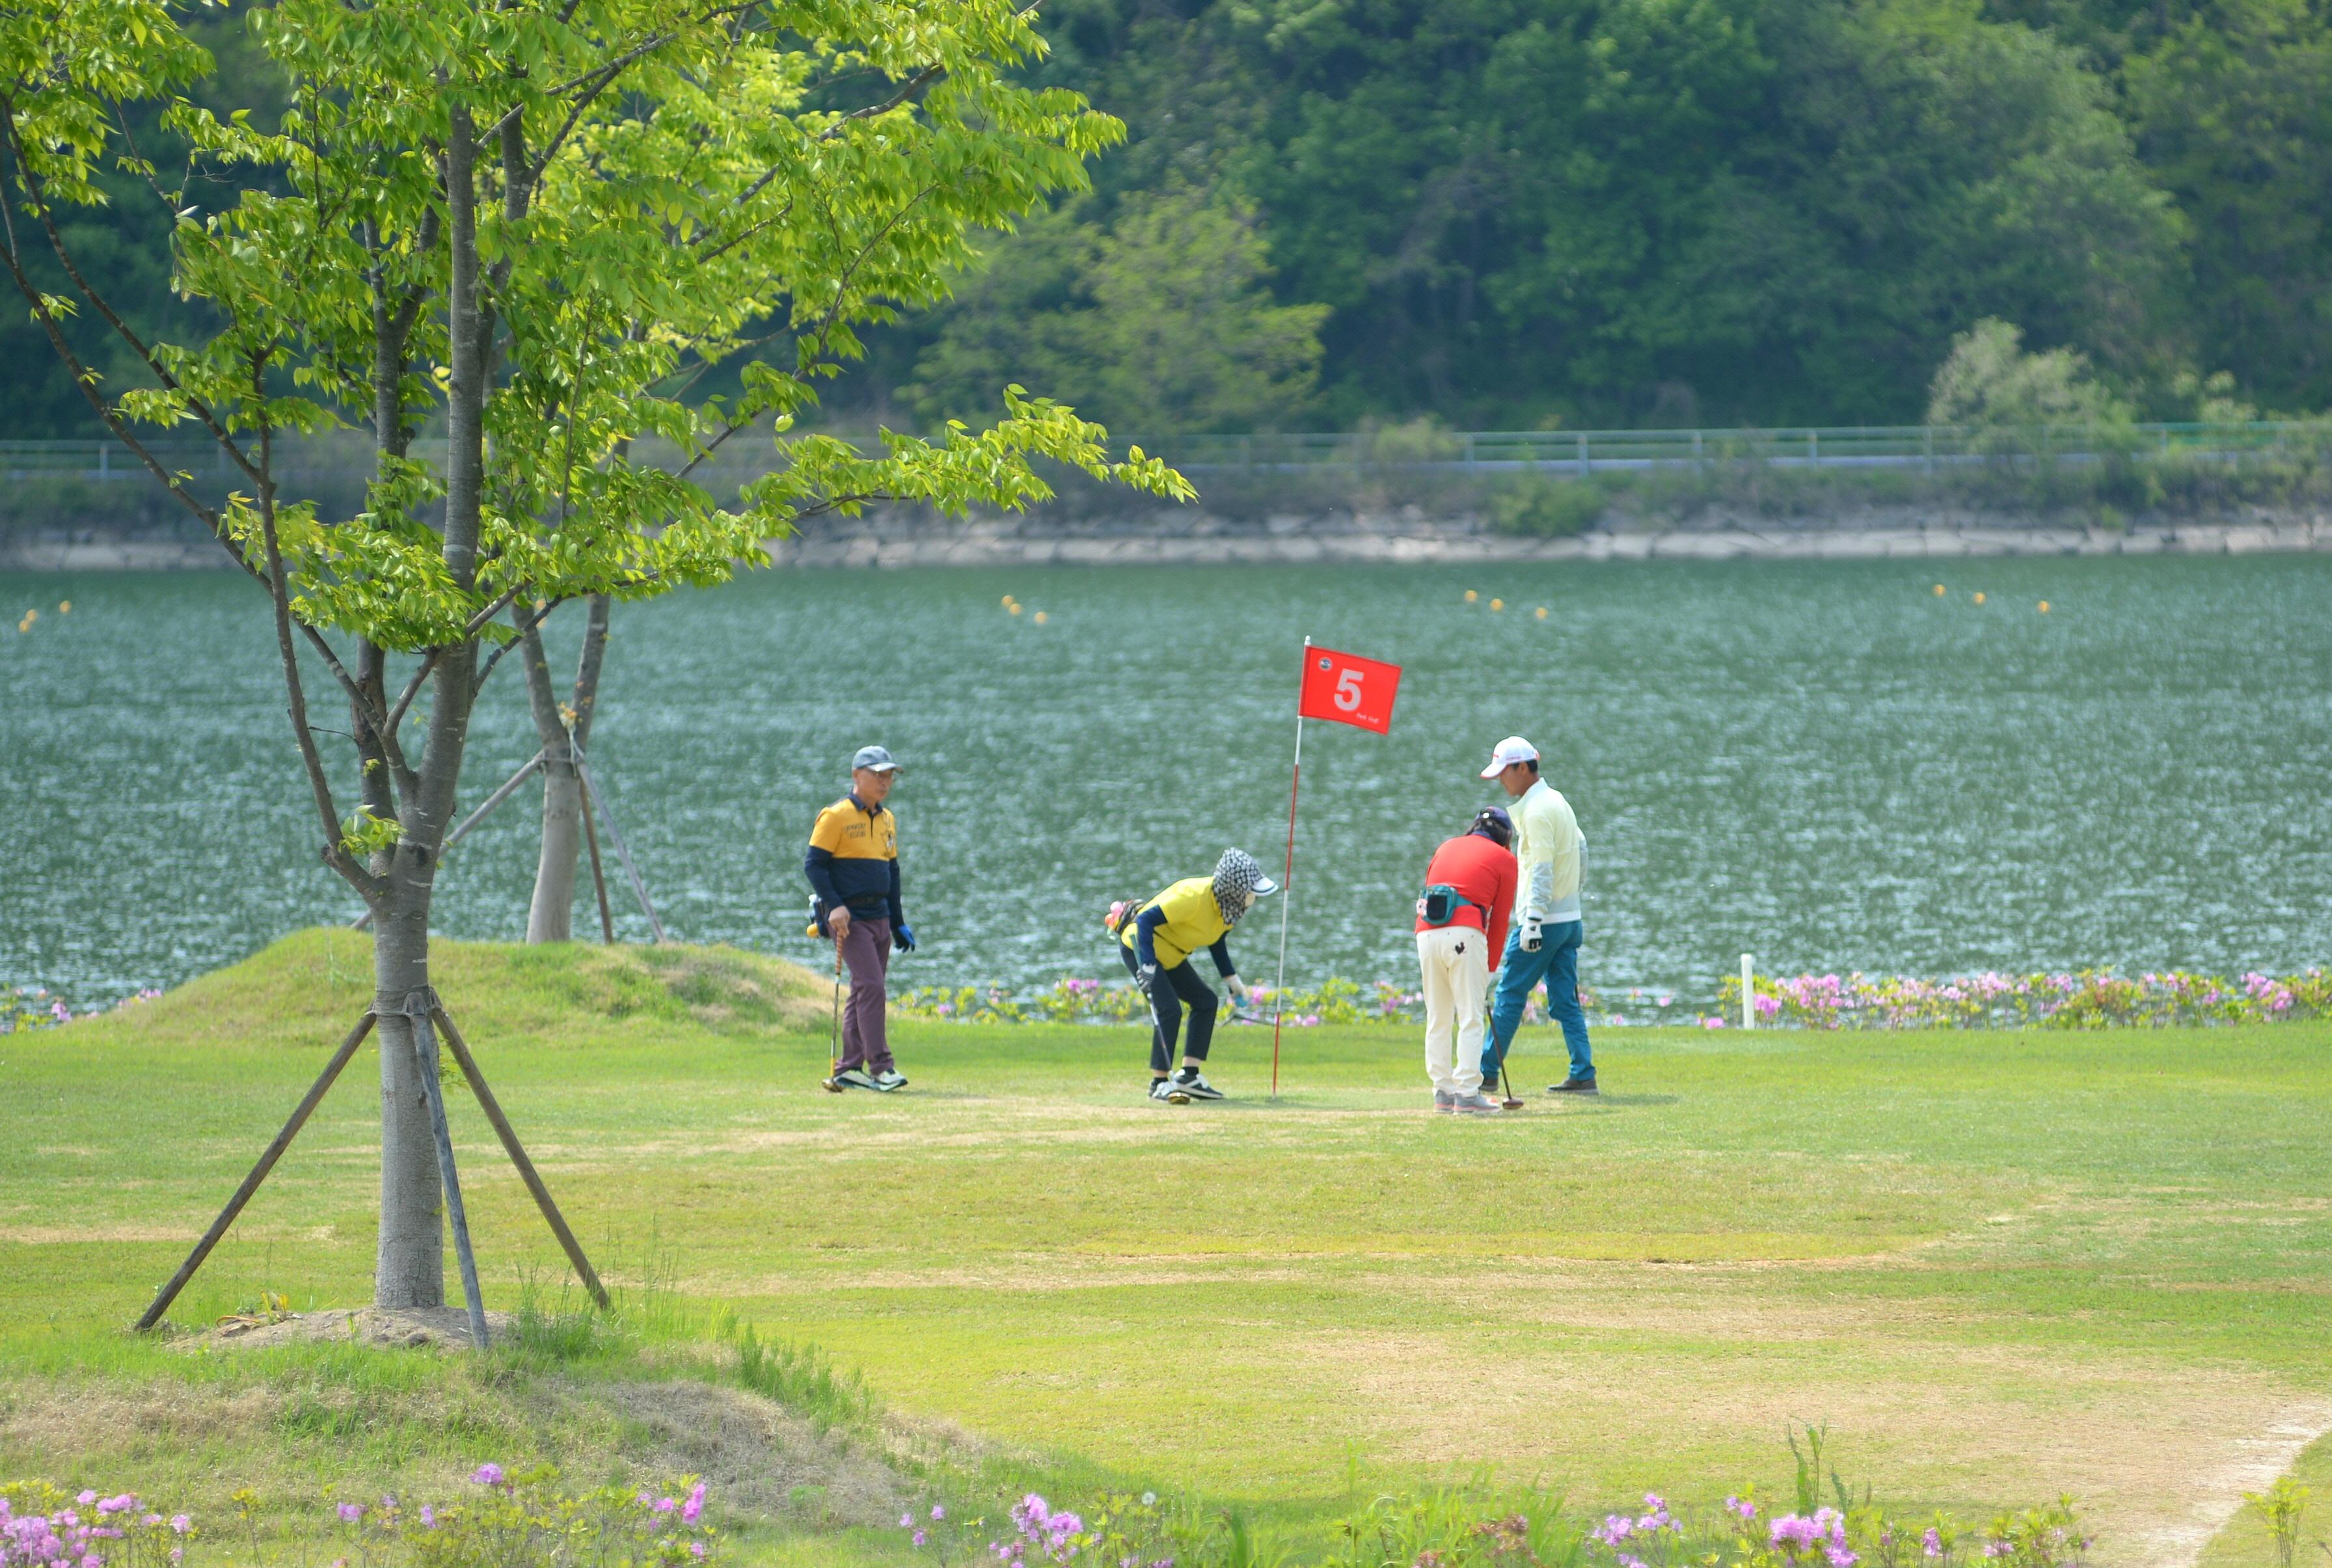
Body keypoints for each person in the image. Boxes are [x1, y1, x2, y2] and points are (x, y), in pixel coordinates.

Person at [1478, 736, 1596, 1096]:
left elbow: (1541, 868)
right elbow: (1582, 851)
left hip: (1541, 923)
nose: (1501, 780)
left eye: (1505, 772)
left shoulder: (1537, 810)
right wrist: (1571, 900)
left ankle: (1484, 1073)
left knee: (1510, 994)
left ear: (1524, 768)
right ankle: (1583, 1072)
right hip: (1568, 920)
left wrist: (1532, 920)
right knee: (1564, 1000)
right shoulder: (1557, 800)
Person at [1115, 849, 1277, 1102]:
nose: (1254, 896)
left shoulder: (1227, 909)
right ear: (1234, 888)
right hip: (1141, 948)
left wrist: (1232, 981)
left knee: (1206, 1001)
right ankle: (1158, 1083)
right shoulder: (1192, 896)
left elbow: (1217, 941)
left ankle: (1188, 1075)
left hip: (1171, 955)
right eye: (1250, 890)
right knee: (1169, 1009)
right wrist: (1147, 965)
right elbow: (1145, 920)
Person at [805, 745, 916, 1090]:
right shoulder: (835, 816)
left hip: (880, 916)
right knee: (872, 987)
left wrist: (898, 922)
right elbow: (815, 865)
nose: (885, 782)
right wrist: (835, 905)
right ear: (857, 776)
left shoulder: (887, 819)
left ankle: (848, 1068)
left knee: (862, 990)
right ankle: (881, 1067)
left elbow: (892, 873)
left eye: (889, 776)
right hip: (849, 920)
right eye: (877, 775)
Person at [1414, 807, 1519, 1114]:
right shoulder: (1506, 859)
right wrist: (1490, 967)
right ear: (1506, 836)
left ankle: (1443, 1093)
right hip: (1465, 934)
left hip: (1425, 933)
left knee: (1439, 1016)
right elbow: (1499, 920)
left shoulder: (1446, 846)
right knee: (1471, 1016)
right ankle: (1468, 1093)